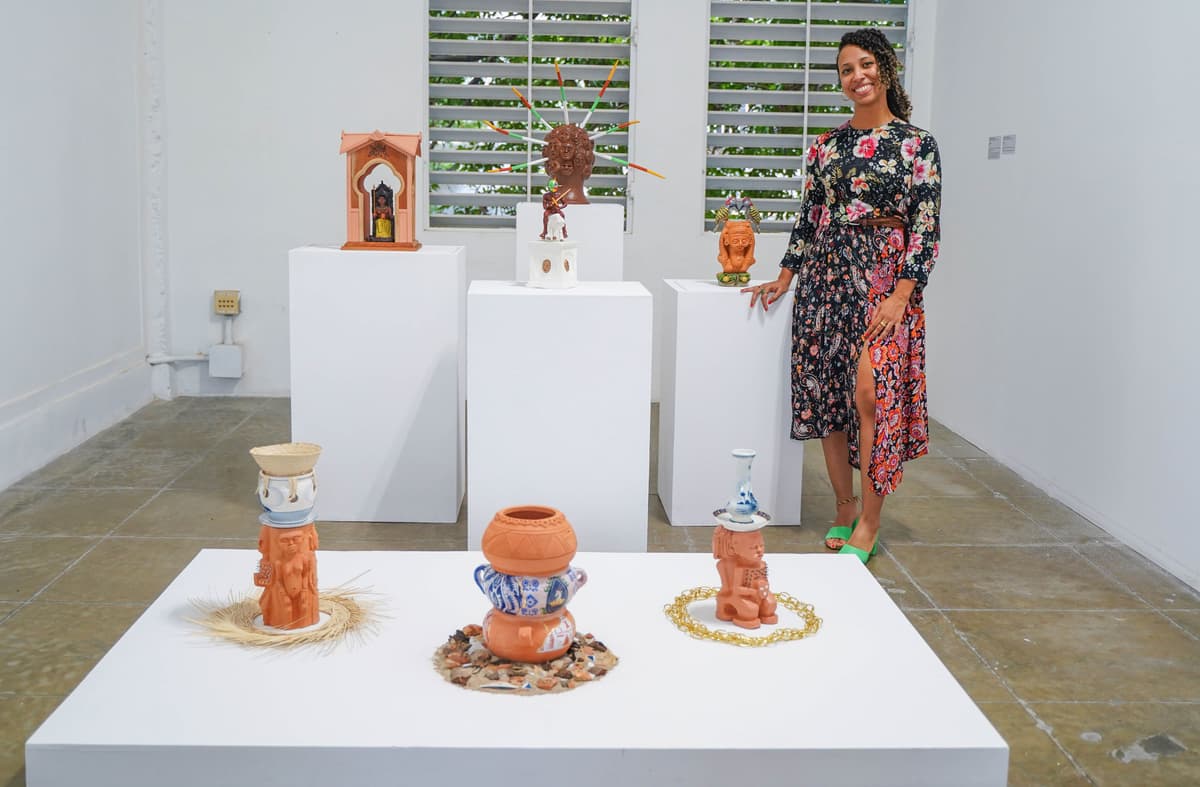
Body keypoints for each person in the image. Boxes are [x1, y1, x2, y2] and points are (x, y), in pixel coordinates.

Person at [743, 28, 942, 564]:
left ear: (886, 69)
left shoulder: (918, 144)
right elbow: (810, 217)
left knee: (871, 395)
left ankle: (871, 522)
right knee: (831, 396)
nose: (857, 76)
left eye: (866, 64)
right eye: (846, 70)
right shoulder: (826, 146)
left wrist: (902, 294)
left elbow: (925, 226)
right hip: (826, 279)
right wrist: (786, 276)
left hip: (883, 280)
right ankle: (844, 506)